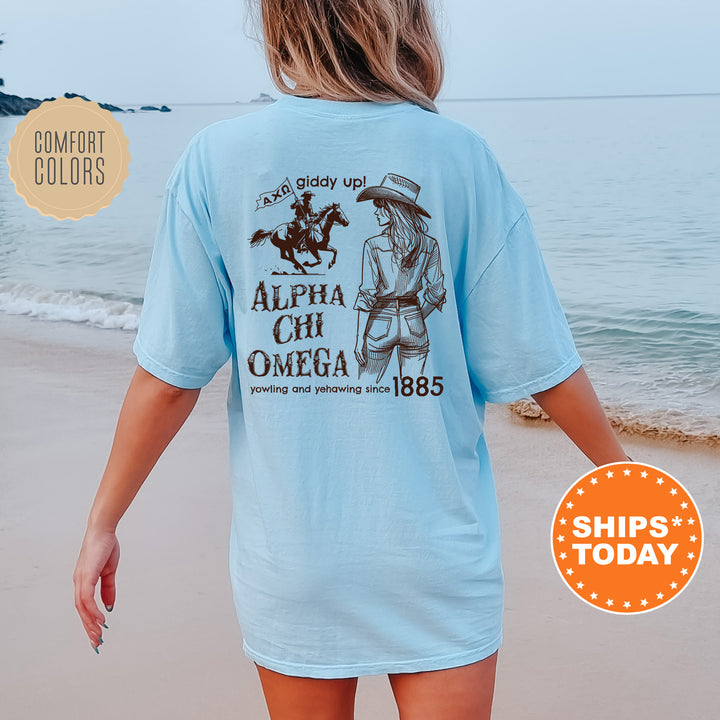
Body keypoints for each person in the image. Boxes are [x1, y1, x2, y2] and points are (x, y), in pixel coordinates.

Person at [73, 2, 629, 718]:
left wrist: (102, 523)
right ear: (405, 18)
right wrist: (622, 477)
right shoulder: (459, 157)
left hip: (296, 561)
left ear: (279, 21)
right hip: (435, 557)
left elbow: (169, 379)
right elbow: (540, 361)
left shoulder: (216, 160)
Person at [354, 174, 446, 382]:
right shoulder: (429, 245)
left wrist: (359, 338)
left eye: (380, 205)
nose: (376, 211)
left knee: (367, 389)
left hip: (380, 322)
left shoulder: (373, 245)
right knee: (413, 393)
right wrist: (414, 316)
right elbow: (437, 291)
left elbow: (367, 294)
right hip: (414, 322)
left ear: (394, 209)